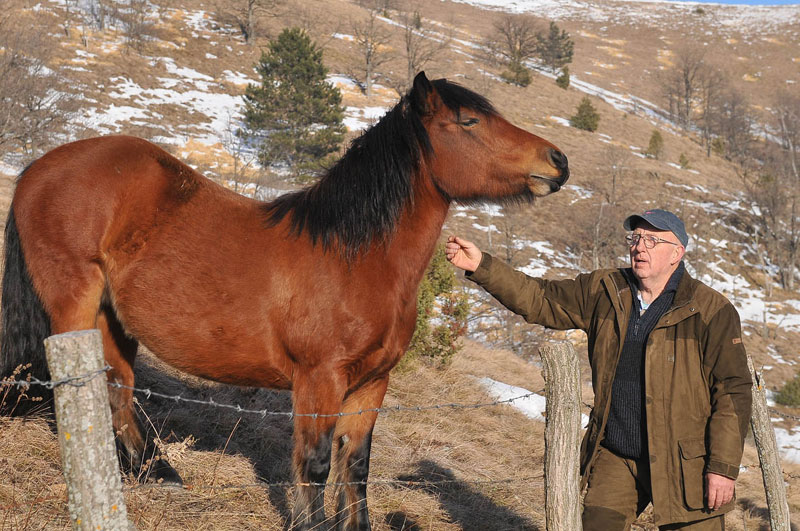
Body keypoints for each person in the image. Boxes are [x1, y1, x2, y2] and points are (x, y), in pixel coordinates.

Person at [445, 209, 752, 531]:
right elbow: (540, 299)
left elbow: (733, 391)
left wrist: (722, 467)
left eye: (652, 240)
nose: (639, 247)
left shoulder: (710, 310)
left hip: (685, 463)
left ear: (678, 253)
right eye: (635, 238)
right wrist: (482, 267)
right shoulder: (605, 289)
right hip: (617, 454)